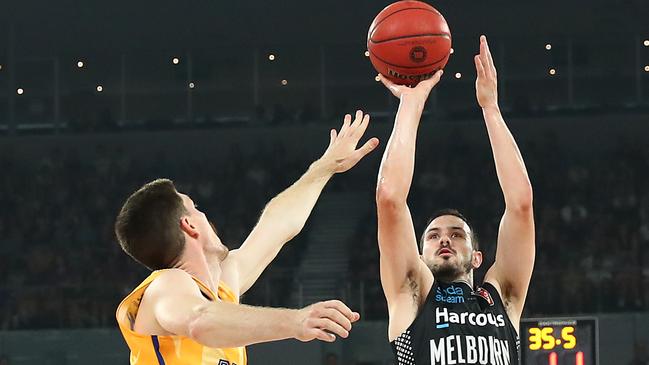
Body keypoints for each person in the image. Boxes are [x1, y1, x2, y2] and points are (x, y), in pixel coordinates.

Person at [115, 111, 379, 364]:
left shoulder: (220, 290)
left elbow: (277, 226)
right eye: (197, 208)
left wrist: (324, 167)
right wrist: (297, 321)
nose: (207, 216)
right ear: (189, 225)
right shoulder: (167, 283)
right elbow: (199, 321)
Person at [375, 36, 534, 365]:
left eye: (457, 234)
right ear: (419, 254)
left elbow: (520, 204)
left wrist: (490, 108)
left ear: (477, 257)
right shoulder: (414, 295)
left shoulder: (501, 297)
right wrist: (412, 103)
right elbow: (389, 198)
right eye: (433, 236)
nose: (444, 238)